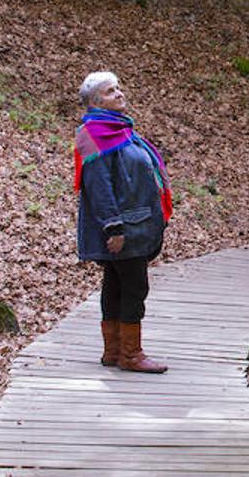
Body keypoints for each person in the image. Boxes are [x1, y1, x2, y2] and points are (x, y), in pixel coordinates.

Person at [74, 71, 173, 374]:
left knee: (116, 285)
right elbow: (98, 185)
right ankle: (131, 355)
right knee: (133, 286)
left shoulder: (120, 130)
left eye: (117, 88)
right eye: (109, 91)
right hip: (123, 228)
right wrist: (113, 227)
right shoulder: (93, 135)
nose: (118, 94)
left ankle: (114, 352)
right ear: (94, 102)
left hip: (137, 222)